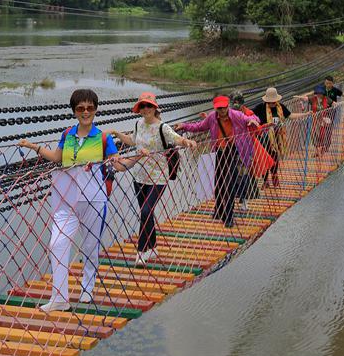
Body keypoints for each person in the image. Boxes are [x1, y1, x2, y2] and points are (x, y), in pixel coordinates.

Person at [17, 88, 129, 313]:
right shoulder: (67, 134)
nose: (85, 112)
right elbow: (57, 158)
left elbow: (117, 164)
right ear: (74, 111)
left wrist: (135, 158)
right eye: (80, 108)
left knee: (90, 246)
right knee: (56, 244)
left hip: (93, 200)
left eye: (89, 107)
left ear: (95, 109)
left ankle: (87, 286)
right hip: (65, 200)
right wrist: (34, 147)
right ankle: (60, 298)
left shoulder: (103, 138)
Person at [105, 92, 195, 265]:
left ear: (155, 108)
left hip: (158, 178)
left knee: (146, 212)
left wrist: (187, 142)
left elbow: (177, 139)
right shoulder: (138, 124)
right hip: (139, 176)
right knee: (147, 213)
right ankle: (153, 247)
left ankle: (141, 250)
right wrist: (116, 132)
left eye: (149, 106)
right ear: (139, 109)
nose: (145, 109)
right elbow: (132, 141)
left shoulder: (163, 127)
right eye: (142, 106)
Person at [176, 96, 259, 227]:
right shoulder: (212, 117)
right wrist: (184, 126)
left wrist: (252, 121)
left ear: (228, 106)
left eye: (224, 107)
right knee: (219, 182)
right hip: (219, 153)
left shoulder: (236, 115)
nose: (222, 110)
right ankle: (219, 211)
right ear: (216, 108)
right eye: (219, 108)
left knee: (230, 184)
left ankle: (229, 217)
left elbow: (253, 118)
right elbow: (199, 127)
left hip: (234, 152)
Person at [252, 86, 294, 187]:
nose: (272, 103)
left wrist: (305, 114)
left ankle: (275, 177)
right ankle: (265, 180)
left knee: (275, 157)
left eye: (273, 101)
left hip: (276, 137)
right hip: (263, 137)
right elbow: (249, 116)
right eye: (270, 101)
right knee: (264, 158)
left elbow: (290, 115)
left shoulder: (280, 107)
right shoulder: (260, 108)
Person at [309, 85, 335, 156]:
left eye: (320, 93)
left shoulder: (327, 99)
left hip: (324, 119)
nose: (319, 94)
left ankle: (322, 149)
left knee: (323, 134)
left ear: (322, 93)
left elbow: (334, 104)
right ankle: (317, 151)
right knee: (314, 135)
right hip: (315, 120)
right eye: (317, 93)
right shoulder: (312, 99)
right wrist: (298, 97)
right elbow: (304, 98)